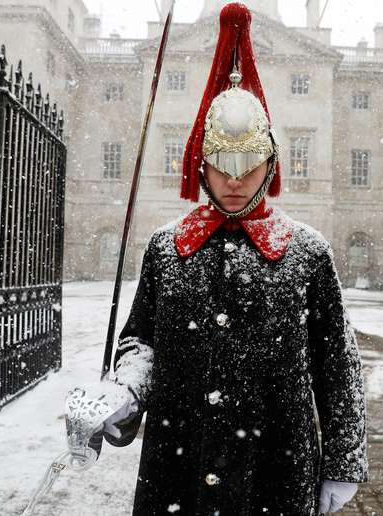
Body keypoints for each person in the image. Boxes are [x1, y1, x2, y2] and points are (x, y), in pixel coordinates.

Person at [93, 4, 368, 514]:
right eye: (222, 164)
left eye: (249, 163)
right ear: (202, 165)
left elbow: (337, 365)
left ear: (271, 163)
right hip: (179, 464)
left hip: (276, 465)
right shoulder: (166, 247)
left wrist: (342, 461)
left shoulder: (307, 252)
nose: (235, 179)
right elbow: (141, 341)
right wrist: (126, 390)